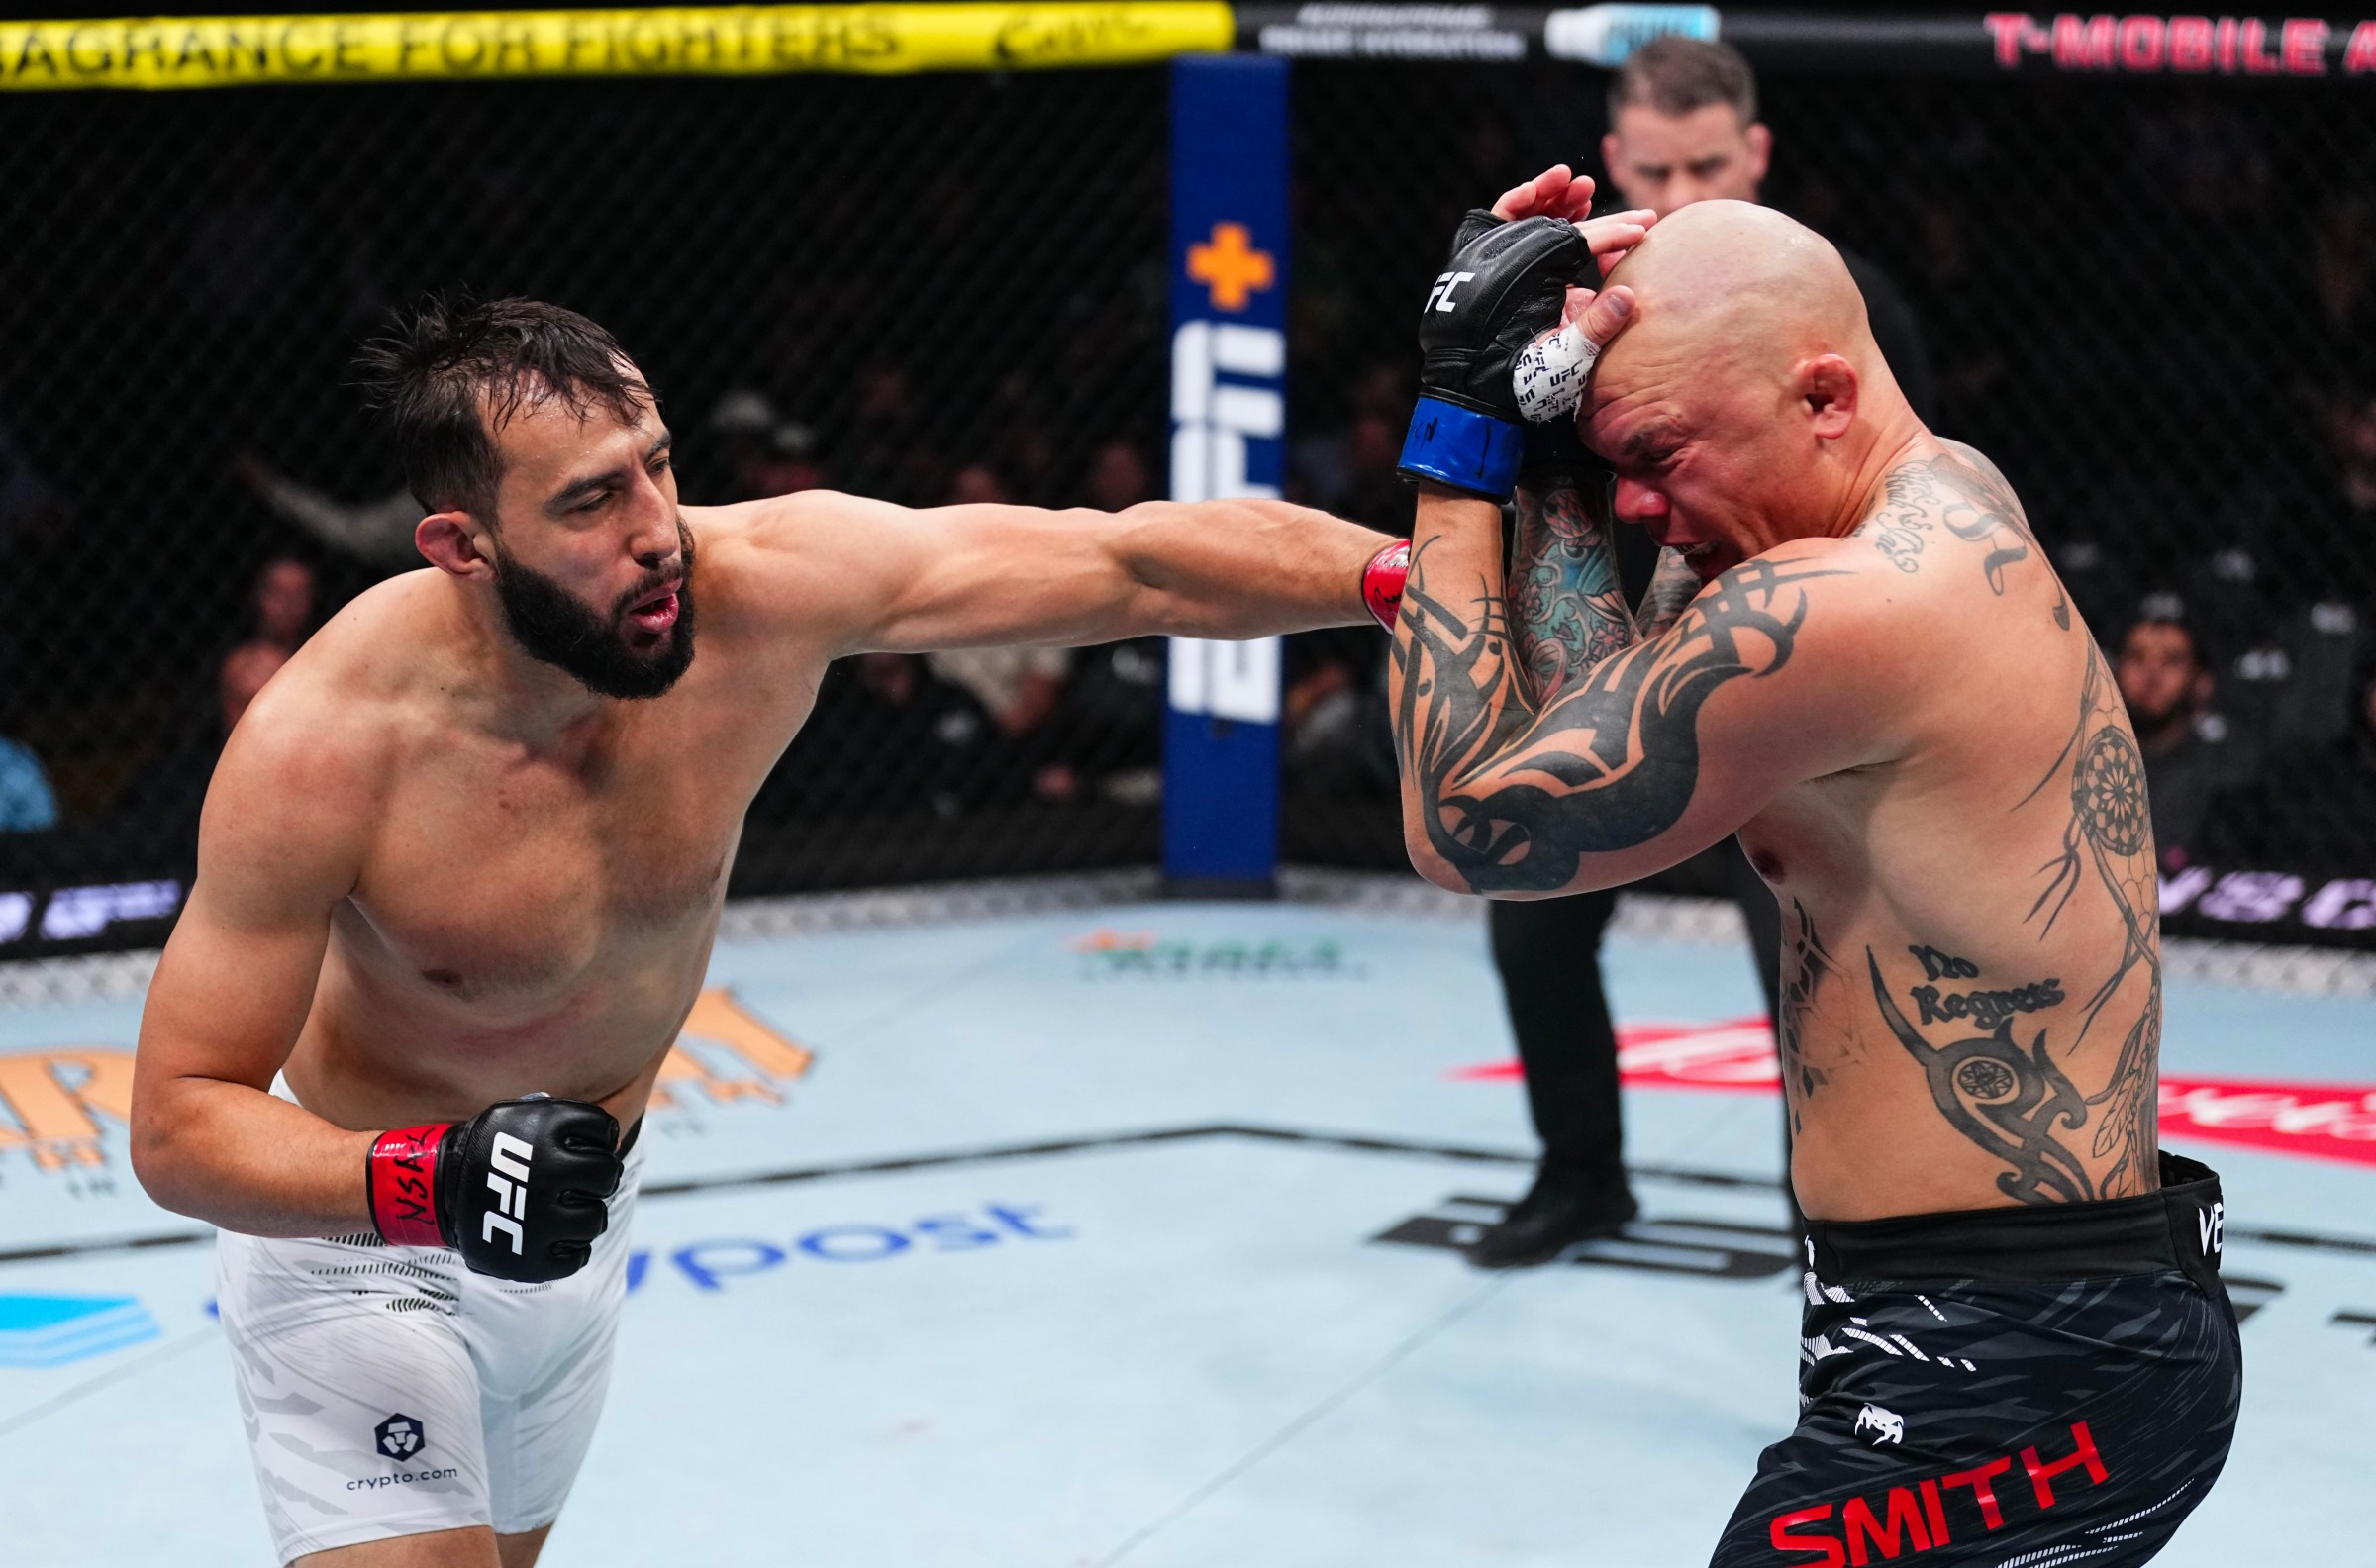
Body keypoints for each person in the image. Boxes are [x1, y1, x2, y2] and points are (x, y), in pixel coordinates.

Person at [128, 297, 1409, 1568]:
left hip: (578, 1228)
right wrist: (440, 1176)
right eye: (590, 502)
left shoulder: (765, 590)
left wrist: (1415, 581)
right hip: (365, 1233)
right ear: (463, 546)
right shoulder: (326, 750)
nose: (657, 533)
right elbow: (180, 1124)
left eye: (657, 465)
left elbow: (1133, 564)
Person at [1388, 181, 2237, 1560]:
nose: (1645, 506)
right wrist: (1549, 449)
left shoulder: (1861, 607)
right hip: (1993, 1317)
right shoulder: (1926, 499)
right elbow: (1594, 699)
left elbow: (1467, 825)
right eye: (1620, 467)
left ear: (1824, 397)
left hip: (2019, 1357)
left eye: (1661, 453)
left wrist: (1459, 432)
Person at [1470, 35, 1940, 1267]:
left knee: (1808, 955)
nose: (1680, 195)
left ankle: (1827, 1231)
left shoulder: (1841, 301)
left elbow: (1897, 501)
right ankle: (1578, 1176)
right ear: (1612, 160)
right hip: (1602, 665)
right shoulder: (1570, 317)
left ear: (1758, 154)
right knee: (1531, 916)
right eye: (1657, 169)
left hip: (1783, 689)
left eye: (1708, 167)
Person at [2111, 614, 2254, 866]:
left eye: (2171, 661)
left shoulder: (2225, 774)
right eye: (2137, 658)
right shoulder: (2081, 760)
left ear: (2201, 682)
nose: (2151, 675)